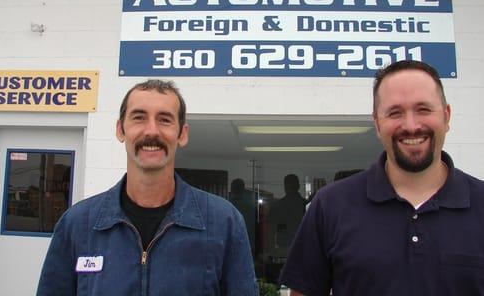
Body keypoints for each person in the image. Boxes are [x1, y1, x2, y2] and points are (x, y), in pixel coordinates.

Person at [279, 60, 484, 296]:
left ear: (446, 116)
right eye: (395, 112)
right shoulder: (331, 205)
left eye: (423, 109)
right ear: (377, 123)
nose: (411, 125)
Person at [37, 79, 258, 295]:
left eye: (164, 120)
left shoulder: (224, 223)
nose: (151, 131)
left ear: (182, 134)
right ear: (120, 130)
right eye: (139, 118)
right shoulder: (77, 224)